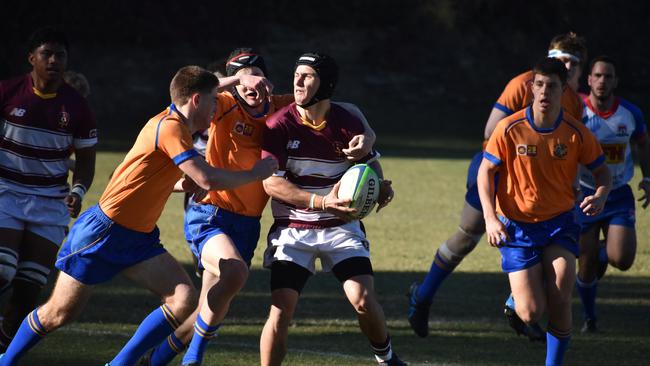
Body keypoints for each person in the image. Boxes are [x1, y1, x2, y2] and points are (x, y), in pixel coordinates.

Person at [0, 65, 278, 366]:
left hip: (139, 237)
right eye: (214, 100)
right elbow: (209, 179)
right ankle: (6, 361)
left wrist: (183, 183)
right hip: (104, 232)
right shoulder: (170, 127)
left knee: (183, 299)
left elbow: (157, 176)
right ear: (197, 101)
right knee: (58, 313)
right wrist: (255, 173)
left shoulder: (180, 126)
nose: (217, 107)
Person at [141, 48, 376, 366]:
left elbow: (335, 108)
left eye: (257, 77)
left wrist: (369, 136)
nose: (250, 87)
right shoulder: (223, 105)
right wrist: (237, 77)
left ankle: (156, 359)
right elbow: (194, 90)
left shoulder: (281, 107)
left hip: (247, 223)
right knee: (225, 285)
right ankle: (182, 360)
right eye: (242, 81)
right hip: (212, 214)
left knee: (208, 308)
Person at [406, 32, 588, 340]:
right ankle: (422, 297)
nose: (566, 67)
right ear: (547, 60)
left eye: (572, 63)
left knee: (552, 238)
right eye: (560, 60)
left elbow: (571, 149)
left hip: (539, 180)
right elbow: (492, 129)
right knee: (468, 236)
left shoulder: (573, 101)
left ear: (580, 70)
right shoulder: (522, 85)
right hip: (498, 169)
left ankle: (519, 306)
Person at [258, 52, 404, 366]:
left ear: (326, 84)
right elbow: (270, 184)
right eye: (296, 74)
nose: (297, 81)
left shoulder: (348, 120)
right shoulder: (278, 125)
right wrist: (322, 202)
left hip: (341, 227)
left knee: (363, 300)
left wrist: (380, 186)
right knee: (282, 309)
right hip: (293, 230)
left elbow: (370, 164)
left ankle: (387, 359)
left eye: (307, 75)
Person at [478, 58, 611, 366]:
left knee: (562, 294)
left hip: (559, 224)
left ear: (564, 90)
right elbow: (486, 171)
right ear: (531, 87)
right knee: (531, 312)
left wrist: (602, 195)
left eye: (551, 86)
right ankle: (517, 301)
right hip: (517, 228)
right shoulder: (509, 128)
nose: (544, 92)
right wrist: (490, 218)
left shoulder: (576, 133)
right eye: (539, 85)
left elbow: (602, 173)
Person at [0, 28, 97, 352]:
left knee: (30, 286)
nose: (54, 60)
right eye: (47, 54)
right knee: (2, 269)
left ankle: (3, 348)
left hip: (49, 203)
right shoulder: (8, 92)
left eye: (61, 55)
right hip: (6, 193)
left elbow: (85, 160)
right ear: (32, 58)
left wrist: (78, 191)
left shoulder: (77, 106)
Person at [575, 55, 650, 333]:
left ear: (615, 81)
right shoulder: (577, 112)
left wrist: (648, 178)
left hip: (618, 194)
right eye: (598, 76)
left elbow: (643, 143)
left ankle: (598, 255)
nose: (602, 81)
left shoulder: (630, 113)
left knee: (622, 259)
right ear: (589, 80)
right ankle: (590, 317)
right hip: (584, 195)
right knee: (585, 265)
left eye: (608, 76)